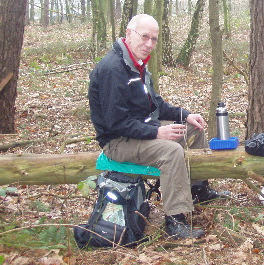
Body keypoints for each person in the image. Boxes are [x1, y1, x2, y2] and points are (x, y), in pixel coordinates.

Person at [88, 13, 228, 240]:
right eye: (144, 37)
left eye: (154, 39)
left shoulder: (138, 66)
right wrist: (157, 132)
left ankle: (197, 190)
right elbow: (116, 124)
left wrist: (186, 115)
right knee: (171, 150)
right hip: (117, 142)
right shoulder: (112, 70)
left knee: (193, 129)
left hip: (139, 130)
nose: (149, 44)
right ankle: (176, 219)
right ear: (128, 34)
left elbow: (157, 105)